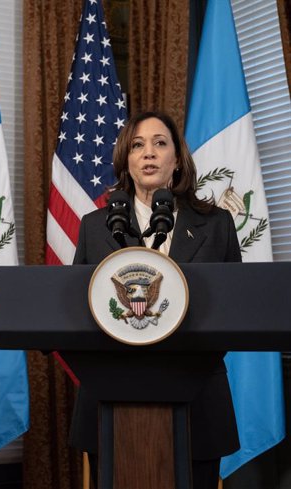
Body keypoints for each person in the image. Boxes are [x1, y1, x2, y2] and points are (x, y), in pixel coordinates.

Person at [72, 111, 240, 489]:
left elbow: (234, 310)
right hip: (110, 398)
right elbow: (79, 312)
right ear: (126, 160)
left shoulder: (216, 224)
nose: (149, 153)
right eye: (137, 145)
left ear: (177, 159)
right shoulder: (95, 227)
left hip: (196, 395)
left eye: (160, 143)